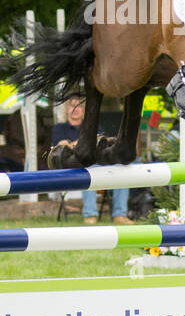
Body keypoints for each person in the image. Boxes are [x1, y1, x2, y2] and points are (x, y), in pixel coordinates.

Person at [51, 94, 132, 224]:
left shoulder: (92, 126)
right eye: (72, 105)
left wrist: (73, 144)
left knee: (120, 168)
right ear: (66, 109)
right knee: (89, 168)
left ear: (83, 110)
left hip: (97, 164)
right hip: (73, 169)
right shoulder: (59, 128)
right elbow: (60, 147)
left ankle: (120, 215)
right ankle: (90, 214)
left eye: (80, 106)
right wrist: (85, 143)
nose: (76, 109)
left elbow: (101, 142)